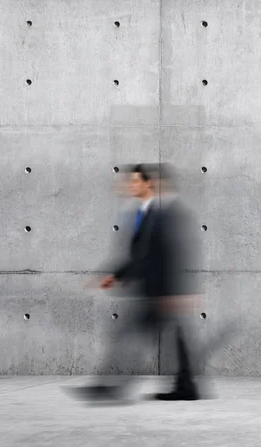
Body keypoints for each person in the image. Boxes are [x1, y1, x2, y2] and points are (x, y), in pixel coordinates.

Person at [74, 163, 202, 401]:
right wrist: (118, 275)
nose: (130, 185)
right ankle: (187, 387)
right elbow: (142, 253)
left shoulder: (169, 211)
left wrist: (179, 291)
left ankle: (110, 386)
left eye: (135, 181)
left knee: (131, 336)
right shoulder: (147, 211)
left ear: (149, 183)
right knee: (166, 338)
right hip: (157, 291)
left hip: (164, 292)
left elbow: (178, 252)